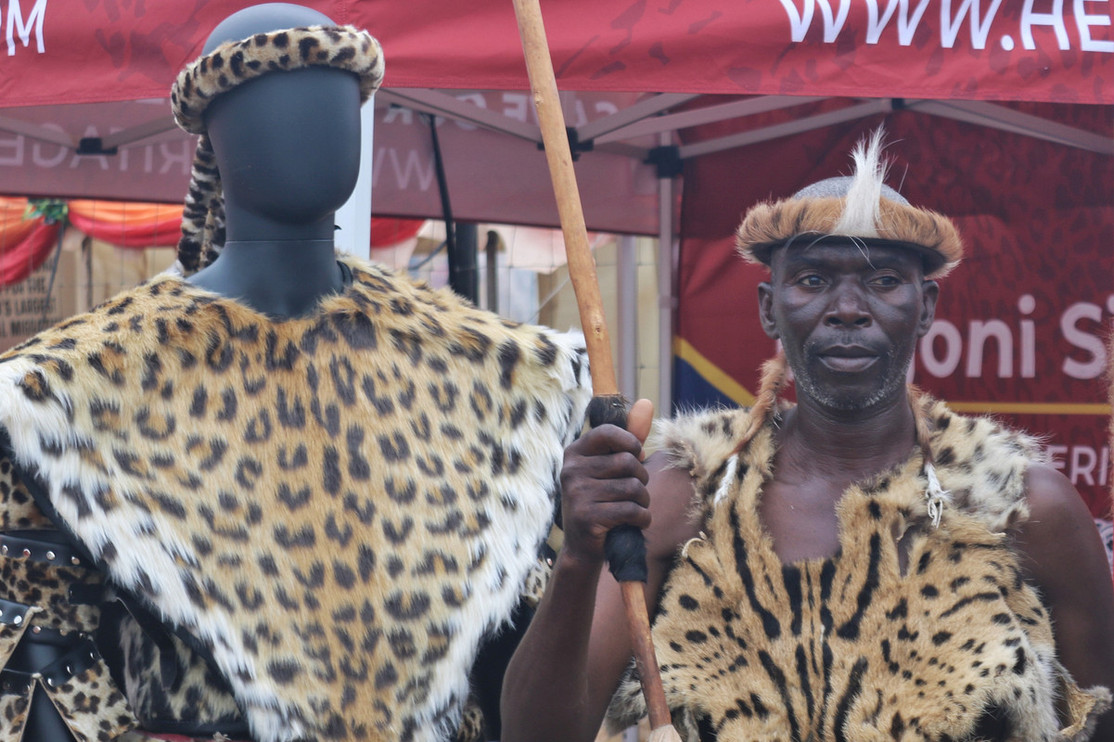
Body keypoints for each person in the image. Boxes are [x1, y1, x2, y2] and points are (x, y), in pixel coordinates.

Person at [0, 4, 591, 742]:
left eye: (333, 100)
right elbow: (39, 665)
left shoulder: (504, 381)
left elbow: (525, 691)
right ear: (214, 132)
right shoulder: (62, 395)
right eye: (270, 102)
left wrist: (584, 555)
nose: (309, 127)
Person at [501, 130, 1114, 741]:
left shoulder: (1023, 509)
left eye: (882, 281)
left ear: (925, 307)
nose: (848, 307)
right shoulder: (682, 495)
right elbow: (538, 734)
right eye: (814, 280)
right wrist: (581, 555)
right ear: (770, 307)